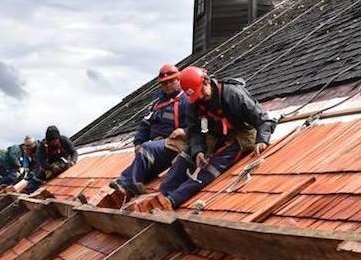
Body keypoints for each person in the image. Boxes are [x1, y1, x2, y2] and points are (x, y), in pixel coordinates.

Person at [151, 66, 275, 210]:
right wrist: (198, 151)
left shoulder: (233, 94)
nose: (201, 97)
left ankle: (172, 200)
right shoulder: (195, 103)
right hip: (217, 134)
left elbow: (264, 120)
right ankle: (162, 194)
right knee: (186, 156)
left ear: (206, 82)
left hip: (242, 134)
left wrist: (262, 139)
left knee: (212, 167)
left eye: (201, 92)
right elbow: (194, 131)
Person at [110, 64, 191, 196]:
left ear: (178, 80)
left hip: (175, 144)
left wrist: (184, 131)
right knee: (142, 159)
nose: (168, 85)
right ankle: (128, 189)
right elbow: (145, 124)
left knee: (147, 149)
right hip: (158, 146)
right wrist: (138, 143)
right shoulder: (158, 104)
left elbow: (197, 125)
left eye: (171, 81)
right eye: (164, 83)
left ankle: (125, 183)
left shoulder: (186, 101)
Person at [25, 125, 78, 193]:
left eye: (55, 141)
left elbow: (74, 152)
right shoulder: (43, 145)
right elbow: (41, 161)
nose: (54, 143)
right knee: (35, 180)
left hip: (64, 162)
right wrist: (51, 167)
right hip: (49, 165)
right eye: (52, 142)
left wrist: (73, 161)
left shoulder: (64, 140)